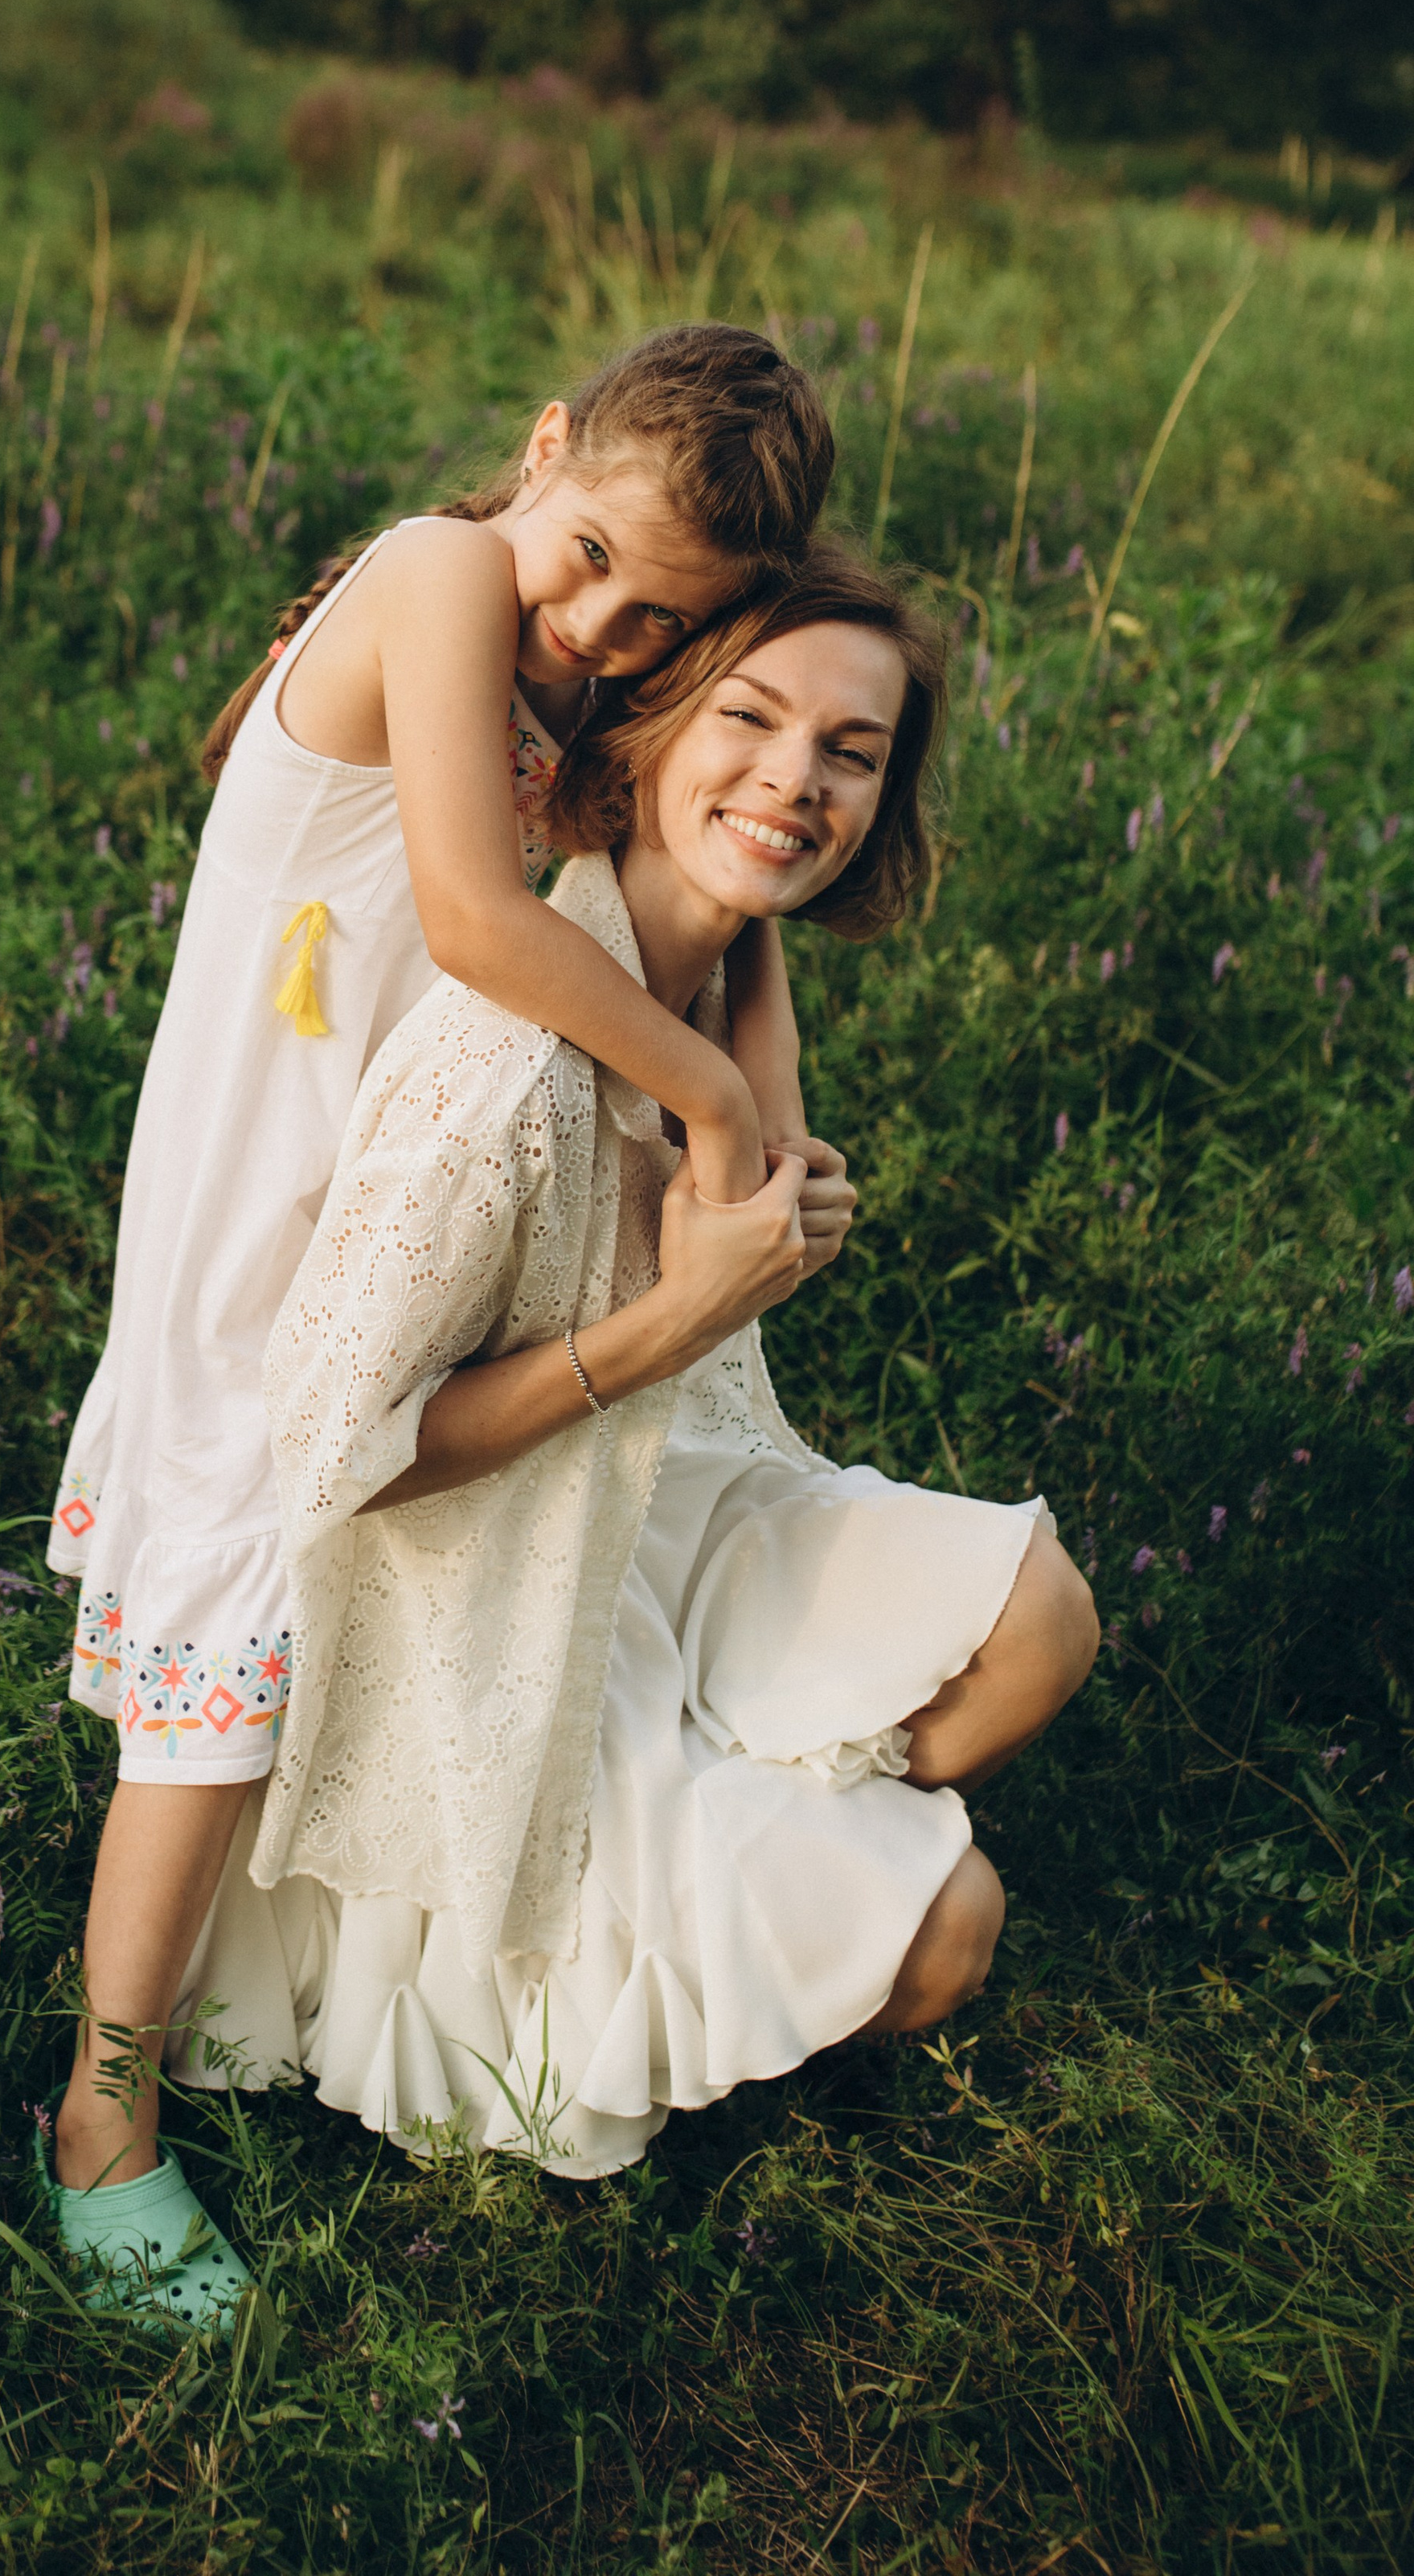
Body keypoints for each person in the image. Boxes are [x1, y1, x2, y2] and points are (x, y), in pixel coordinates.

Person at [42, 327, 838, 2320]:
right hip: (266, 1204)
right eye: (583, 559)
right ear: (537, 441)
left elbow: (698, 904)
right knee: (216, 1677)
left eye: (657, 616)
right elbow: (484, 924)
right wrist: (716, 1105)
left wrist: (770, 1102)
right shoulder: (432, 566)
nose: (592, 624)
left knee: (329, 1609)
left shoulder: (575, 660)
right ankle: (98, 2125)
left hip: (392, 1214)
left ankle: (296, 1998)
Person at [150, 543, 1099, 2197]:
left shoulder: (709, 962)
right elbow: (338, 1453)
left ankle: (754, 1801)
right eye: (749, 718)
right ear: (645, 730)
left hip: (654, 1493)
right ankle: (693, 1864)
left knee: (1039, 1623)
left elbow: (747, 999)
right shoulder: (501, 1068)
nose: (795, 779)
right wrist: (665, 1323)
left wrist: (755, 1041)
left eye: (850, 754)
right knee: (948, 1937)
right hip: (469, 1582)